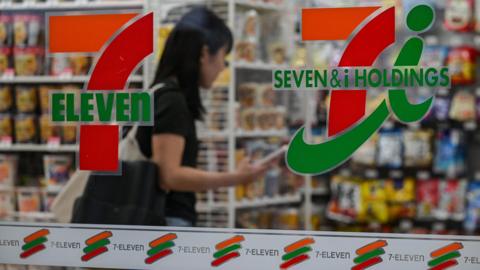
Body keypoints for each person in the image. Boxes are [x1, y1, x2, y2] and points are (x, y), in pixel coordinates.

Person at [135, 7, 271, 227]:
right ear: (204, 53)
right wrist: (236, 178)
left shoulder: (159, 94)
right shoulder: (172, 101)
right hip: (166, 222)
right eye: (223, 57)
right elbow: (169, 175)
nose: (222, 67)